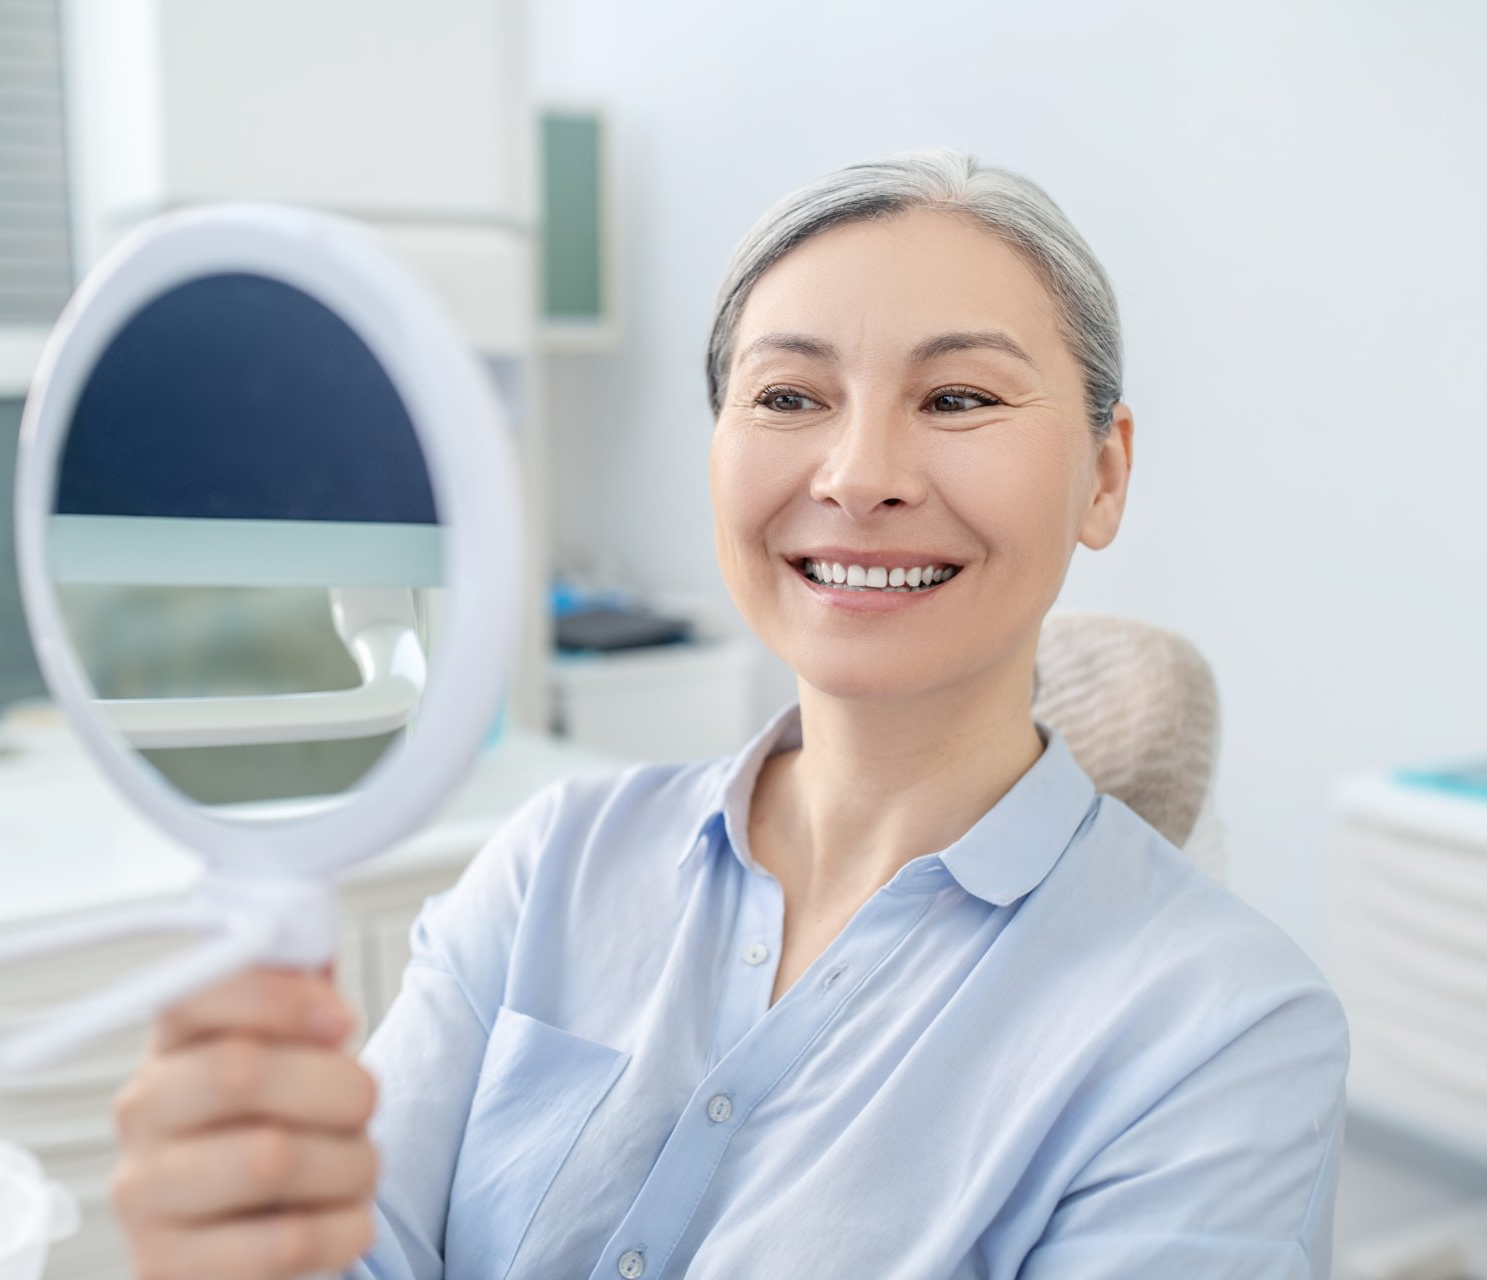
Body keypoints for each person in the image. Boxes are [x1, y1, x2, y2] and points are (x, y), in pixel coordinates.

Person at [106, 149, 1349, 1280]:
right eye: (789, 397)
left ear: (1106, 471)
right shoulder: (556, 861)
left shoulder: (1222, 1031)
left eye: (960, 398)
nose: (859, 476)